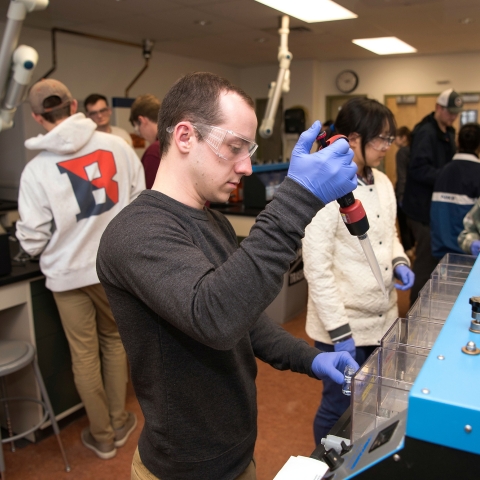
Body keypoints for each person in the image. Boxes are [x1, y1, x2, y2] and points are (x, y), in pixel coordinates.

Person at [96, 72, 359, 480]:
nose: (247, 166)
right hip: (182, 470)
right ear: (185, 137)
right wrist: (298, 199)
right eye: (235, 147)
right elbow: (214, 318)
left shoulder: (214, 222)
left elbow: (244, 320)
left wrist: (311, 357)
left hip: (236, 456)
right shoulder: (135, 233)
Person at [16, 79, 145, 460]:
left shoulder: (35, 171)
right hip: (113, 271)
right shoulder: (118, 146)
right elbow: (141, 202)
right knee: (115, 342)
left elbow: (32, 241)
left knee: (84, 356)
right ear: (74, 106)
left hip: (67, 277)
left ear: (38, 117)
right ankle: (121, 422)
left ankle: (102, 437)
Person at [302, 97, 415, 444]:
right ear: (352, 139)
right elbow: (317, 265)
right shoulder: (327, 187)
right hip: (342, 327)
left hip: (381, 319)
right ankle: (328, 466)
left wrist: (399, 262)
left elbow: (390, 236)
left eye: (389, 139)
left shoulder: (381, 181)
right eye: (380, 139)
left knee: (371, 403)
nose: (386, 146)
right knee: (338, 408)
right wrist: (339, 332)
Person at [402, 88, 463, 304]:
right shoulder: (426, 132)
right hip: (420, 210)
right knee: (426, 259)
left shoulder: (448, 132)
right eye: (449, 112)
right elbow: (417, 169)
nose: (453, 116)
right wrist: (447, 176)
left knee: (434, 259)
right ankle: (414, 311)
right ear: (438, 108)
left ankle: (428, 305)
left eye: (456, 112)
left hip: (435, 208)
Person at [430, 123, 480, 258]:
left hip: (441, 251)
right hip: (468, 253)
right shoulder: (477, 173)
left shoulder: (442, 172)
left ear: (457, 142)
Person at [129, 94, 161, 188]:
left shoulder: (155, 150)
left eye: (137, 129)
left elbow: (151, 196)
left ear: (142, 120)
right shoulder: (178, 139)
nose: (141, 135)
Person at [394, 126, 414, 254]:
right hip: (413, 195)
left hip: (403, 193)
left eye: (396, 137)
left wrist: (400, 195)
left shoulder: (401, 152)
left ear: (404, 138)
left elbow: (402, 177)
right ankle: (413, 249)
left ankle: (408, 251)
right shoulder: (414, 151)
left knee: (403, 226)